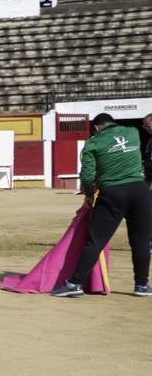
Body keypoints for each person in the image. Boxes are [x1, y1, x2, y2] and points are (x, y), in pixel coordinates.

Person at [51, 113, 151, 298]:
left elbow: (88, 176)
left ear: (96, 127)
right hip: (140, 192)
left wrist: (89, 195)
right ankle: (142, 285)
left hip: (113, 194)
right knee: (141, 242)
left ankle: (75, 284)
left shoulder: (93, 143)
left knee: (95, 241)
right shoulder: (133, 132)